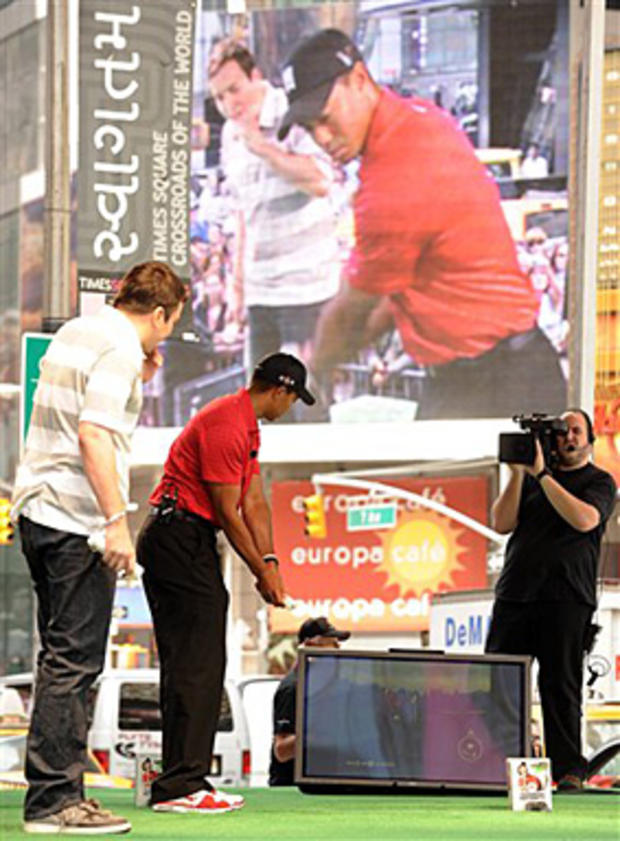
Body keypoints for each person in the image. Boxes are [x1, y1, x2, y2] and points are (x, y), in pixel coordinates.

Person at [278, 29, 566, 419]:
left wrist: (315, 369)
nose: (322, 138)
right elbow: (390, 293)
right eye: (310, 129)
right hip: (501, 374)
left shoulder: (392, 180)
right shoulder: (419, 119)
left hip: (495, 385)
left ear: (360, 80)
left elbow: (353, 309)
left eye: (325, 119)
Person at [10, 261, 187, 834]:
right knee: (74, 661)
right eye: (169, 325)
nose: (165, 338)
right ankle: (55, 804)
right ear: (158, 312)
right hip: (74, 519)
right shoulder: (119, 350)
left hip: (37, 510)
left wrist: (142, 369)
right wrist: (116, 521)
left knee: (58, 657)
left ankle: (56, 795)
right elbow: (93, 434)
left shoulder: (80, 330)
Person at [136, 352, 315, 814]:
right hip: (177, 535)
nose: (291, 407)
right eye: (294, 398)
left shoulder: (248, 425)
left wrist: (271, 561)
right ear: (280, 390)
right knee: (196, 662)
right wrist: (260, 573)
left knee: (201, 660)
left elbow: (254, 501)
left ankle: (185, 778)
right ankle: (179, 786)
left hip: (190, 540)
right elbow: (227, 512)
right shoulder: (226, 422)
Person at [485, 409, 616, 790]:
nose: (568, 438)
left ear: (589, 440)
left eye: (576, 431)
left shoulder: (599, 482)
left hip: (566, 598)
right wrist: (518, 474)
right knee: (501, 681)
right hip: (516, 594)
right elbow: (502, 522)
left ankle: (568, 770)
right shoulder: (530, 481)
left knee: (560, 685)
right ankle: (500, 762)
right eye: (562, 432)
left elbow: (585, 520)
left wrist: (543, 476)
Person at [207, 39, 341, 409]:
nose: (229, 103)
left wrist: (261, 146)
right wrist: (237, 287)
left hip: (306, 290)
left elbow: (320, 180)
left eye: (234, 89)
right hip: (260, 290)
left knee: (306, 403)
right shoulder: (231, 134)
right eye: (219, 98)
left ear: (256, 76)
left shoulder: (292, 111)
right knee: (259, 405)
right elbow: (241, 213)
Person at [269, 617, 350, 787]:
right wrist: (319, 732)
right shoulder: (292, 688)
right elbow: (282, 751)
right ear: (311, 647)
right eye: (332, 644)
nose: (338, 649)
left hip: (320, 784)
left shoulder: (329, 686)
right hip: (292, 790)